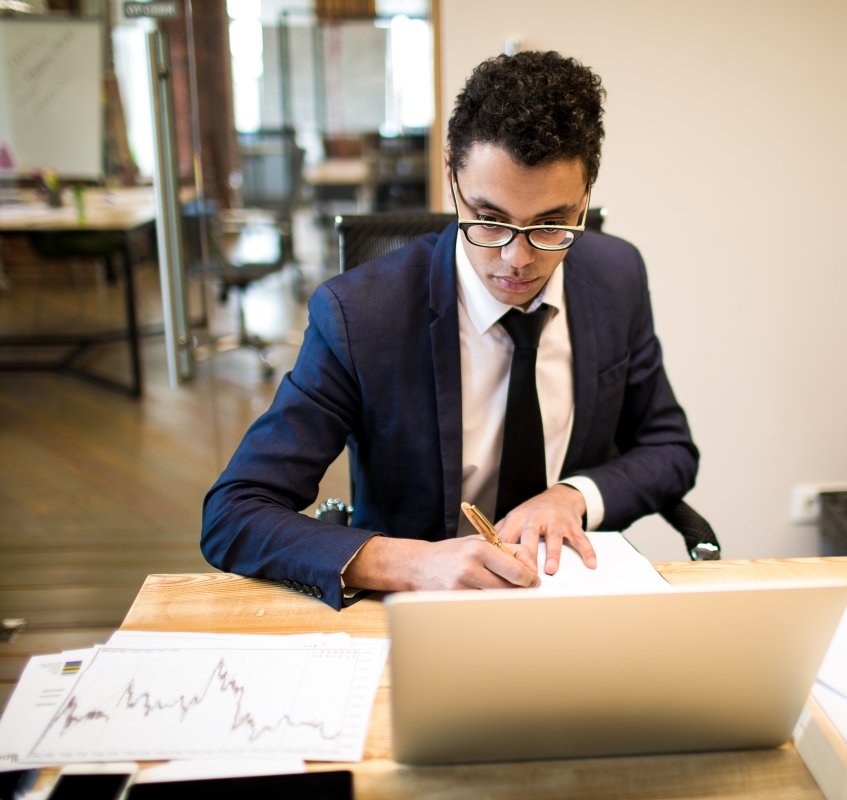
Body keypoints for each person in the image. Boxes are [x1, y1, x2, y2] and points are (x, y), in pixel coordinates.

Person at [201, 51, 698, 609]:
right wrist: (413, 563)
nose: (517, 259)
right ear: (451, 180)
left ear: (585, 201)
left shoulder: (617, 276)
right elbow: (234, 513)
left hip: (571, 601)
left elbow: (669, 447)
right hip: (421, 607)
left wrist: (572, 497)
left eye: (552, 225)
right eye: (489, 219)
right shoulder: (361, 314)